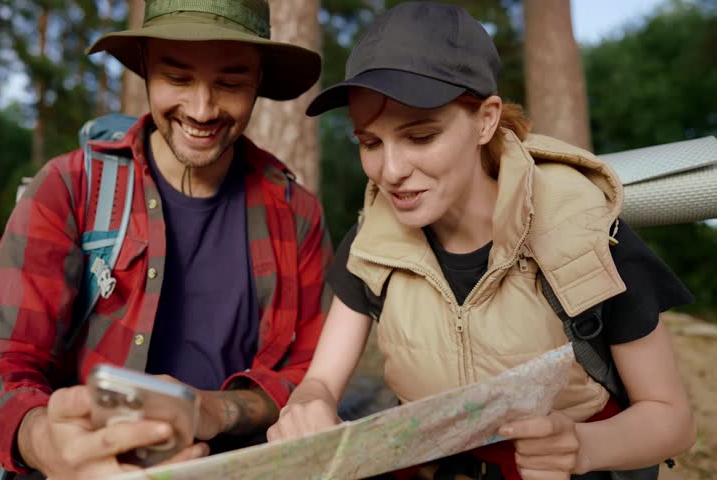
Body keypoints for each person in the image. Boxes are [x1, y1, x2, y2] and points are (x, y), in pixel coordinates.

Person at [267, 3, 696, 479]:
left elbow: (671, 418)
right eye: (370, 143)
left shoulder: (588, 232)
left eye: (421, 136)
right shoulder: (370, 241)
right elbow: (322, 381)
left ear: (486, 120)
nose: (391, 172)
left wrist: (581, 446)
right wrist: (307, 405)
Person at [0, 1, 332, 478]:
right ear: (146, 70)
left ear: (259, 81)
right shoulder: (71, 188)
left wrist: (217, 410)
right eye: (177, 78)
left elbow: (306, 373)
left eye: (231, 83)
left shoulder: (297, 215)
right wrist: (43, 440)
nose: (202, 109)